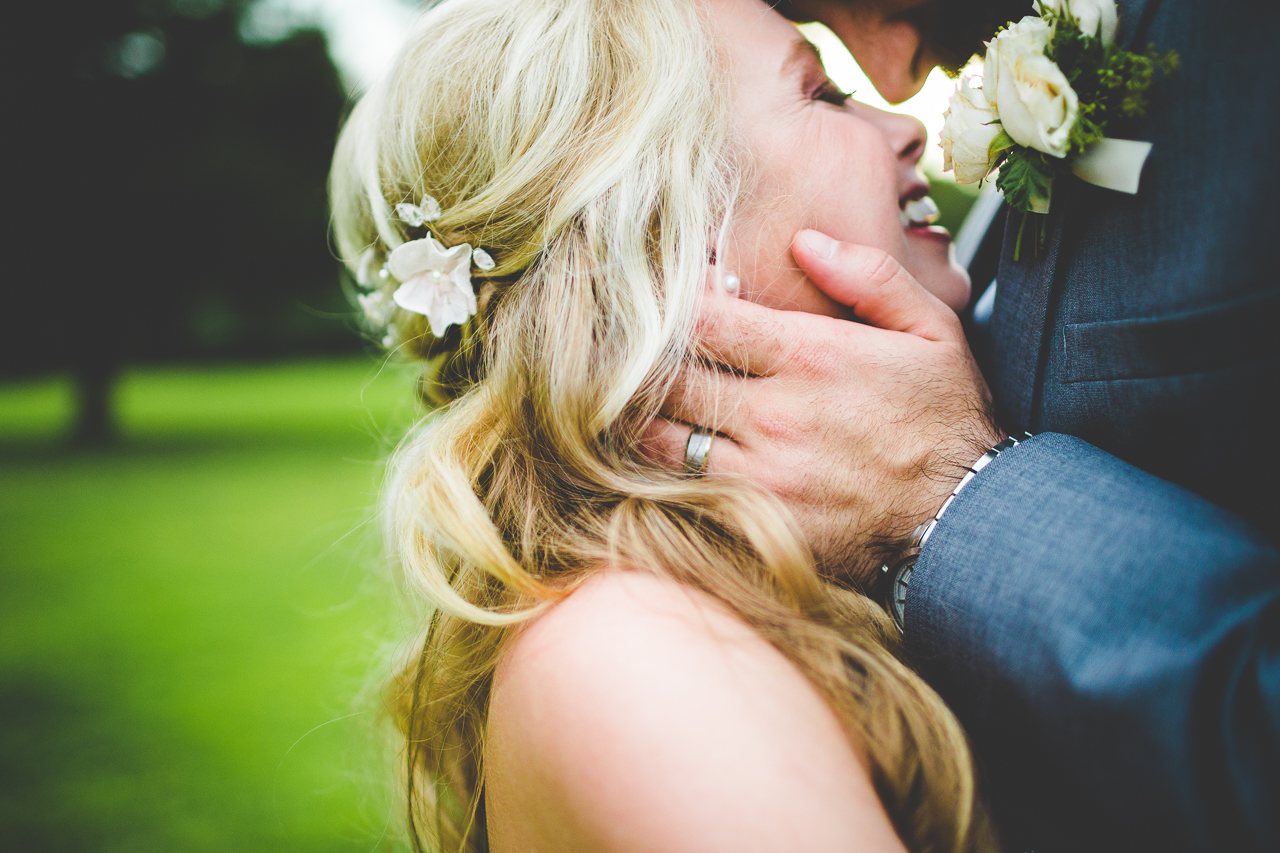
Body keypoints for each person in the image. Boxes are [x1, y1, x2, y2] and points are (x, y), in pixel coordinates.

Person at [329, 0, 1006, 850]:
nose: (900, 128)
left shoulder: (741, 591)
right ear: (677, 241)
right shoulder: (639, 660)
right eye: (824, 93)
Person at [649, 0, 1280, 851]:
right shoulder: (648, 665)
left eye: (828, 85)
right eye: (826, 88)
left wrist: (956, 495)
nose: (894, 81)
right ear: (687, 257)